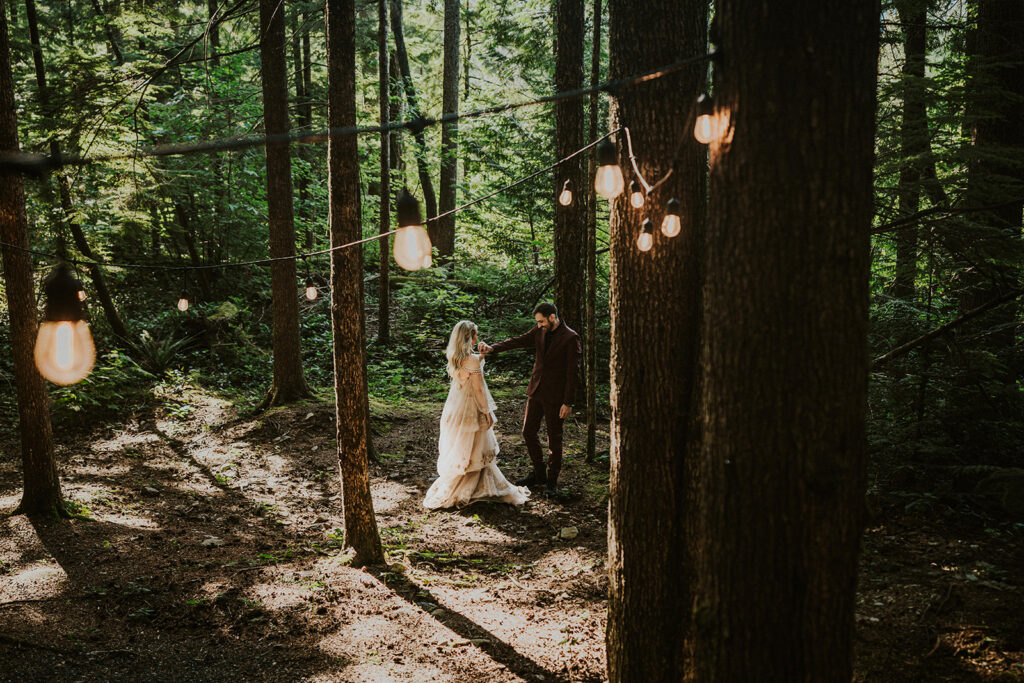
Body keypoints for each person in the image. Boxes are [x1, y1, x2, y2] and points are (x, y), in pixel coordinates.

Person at [423, 320, 530, 509]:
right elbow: (479, 390)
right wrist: (487, 411)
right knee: (476, 446)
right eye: (475, 335)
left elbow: (470, 368)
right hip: (471, 407)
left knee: (464, 445)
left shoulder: (456, 356)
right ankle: (473, 487)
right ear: (469, 336)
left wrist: (480, 356)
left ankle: (469, 484)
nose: (477, 338)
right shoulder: (470, 359)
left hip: (456, 408)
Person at [478, 302, 581, 496]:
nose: (539, 325)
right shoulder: (539, 331)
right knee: (528, 432)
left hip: (556, 398)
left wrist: (568, 402)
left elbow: (573, 374)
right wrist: (493, 348)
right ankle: (539, 473)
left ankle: (552, 481)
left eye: (541, 321)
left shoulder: (570, 338)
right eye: (537, 322)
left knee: (554, 438)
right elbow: (518, 340)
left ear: (552, 317)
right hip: (536, 391)